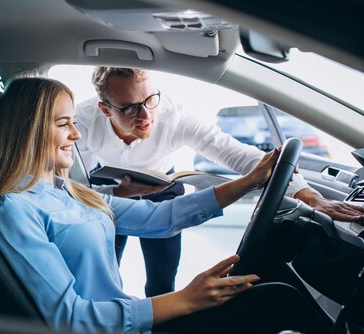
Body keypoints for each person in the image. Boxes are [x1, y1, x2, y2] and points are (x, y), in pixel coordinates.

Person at [0, 77, 330, 334]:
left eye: (73, 121)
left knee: (275, 291)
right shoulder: (14, 208)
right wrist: (186, 300)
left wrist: (251, 181)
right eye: (63, 124)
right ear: (27, 130)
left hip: (132, 324)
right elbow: (72, 320)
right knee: (277, 305)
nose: (76, 133)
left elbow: (161, 218)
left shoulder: (74, 193)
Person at [76, 67, 364, 297]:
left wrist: (310, 197)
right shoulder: (83, 122)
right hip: (109, 193)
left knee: (161, 280)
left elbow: (238, 154)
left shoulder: (174, 117)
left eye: (151, 100)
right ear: (105, 109)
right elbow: (73, 184)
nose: (146, 115)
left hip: (163, 189)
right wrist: (114, 191)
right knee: (102, 276)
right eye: (130, 109)